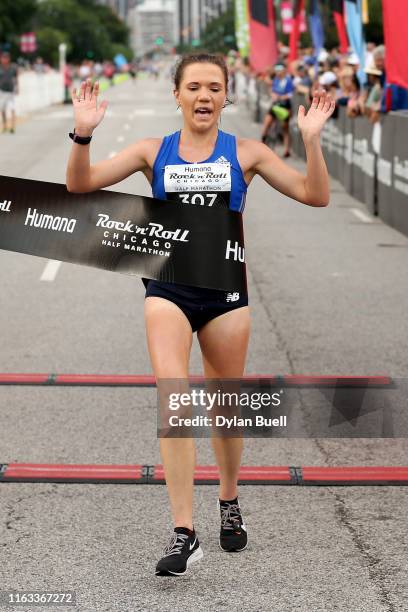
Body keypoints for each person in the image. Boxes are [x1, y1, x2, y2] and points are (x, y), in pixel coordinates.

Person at [66, 52, 335, 577]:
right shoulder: (153, 151)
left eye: (214, 87)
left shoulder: (248, 153)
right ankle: (183, 531)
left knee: (224, 404)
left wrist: (311, 141)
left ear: (227, 94)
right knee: (174, 395)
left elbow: (315, 194)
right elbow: (81, 186)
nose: (204, 96)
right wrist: (82, 135)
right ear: (178, 95)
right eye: (194, 87)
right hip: (168, 288)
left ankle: (229, 500)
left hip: (225, 294)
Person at [260, 63, 294, 157]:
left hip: (285, 106)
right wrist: (273, 94)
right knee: (267, 123)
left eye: (280, 71)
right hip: (275, 105)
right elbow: (272, 88)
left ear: (284, 71)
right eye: (277, 71)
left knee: (285, 129)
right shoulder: (276, 79)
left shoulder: (288, 80)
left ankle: (287, 150)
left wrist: (282, 97)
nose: (278, 72)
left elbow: (291, 94)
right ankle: (262, 142)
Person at [0, 51, 18, 134]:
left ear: (8, 59)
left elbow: (16, 78)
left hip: (11, 91)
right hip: (2, 91)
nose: (4, 59)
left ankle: (13, 126)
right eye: (3, 58)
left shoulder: (13, 68)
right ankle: (4, 125)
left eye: (6, 58)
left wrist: (17, 88)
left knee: (12, 108)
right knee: (2, 109)